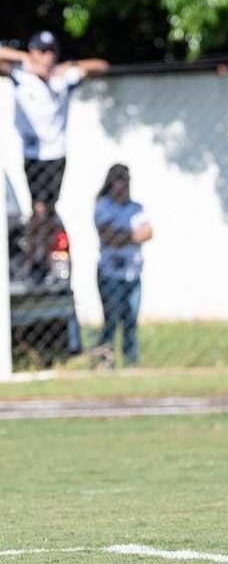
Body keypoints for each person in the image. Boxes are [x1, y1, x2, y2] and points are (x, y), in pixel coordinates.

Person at [0, 31, 109, 272]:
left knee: (49, 211)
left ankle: (45, 258)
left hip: (56, 153)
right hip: (33, 153)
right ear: (33, 52)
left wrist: (68, 66)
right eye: (41, 52)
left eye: (50, 52)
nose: (46, 57)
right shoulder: (21, 74)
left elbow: (101, 65)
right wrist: (25, 59)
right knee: (38, 209)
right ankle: (32, 260)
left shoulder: (64, 77)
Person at [94, 164, 152, 367]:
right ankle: (104, 360)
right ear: (111, 182)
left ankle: (130, 362)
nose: (124, 184)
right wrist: (132, 235)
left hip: (132, 273)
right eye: (119, 179)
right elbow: (109, 237)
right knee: (112, 319)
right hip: (111, 273)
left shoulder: (136, 208)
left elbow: (147, 233)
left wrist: (123, 235)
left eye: (126, 179)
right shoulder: (103, 206)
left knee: (131, 321)